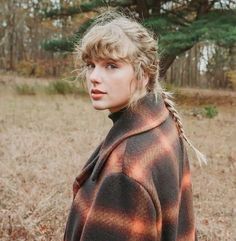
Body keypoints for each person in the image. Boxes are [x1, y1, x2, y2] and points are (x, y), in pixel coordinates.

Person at [64, 11, 206, 241]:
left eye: (111, 65)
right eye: (91, 65)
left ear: (144, 75)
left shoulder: (124, 171)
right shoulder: (160, 120)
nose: (94, 77)